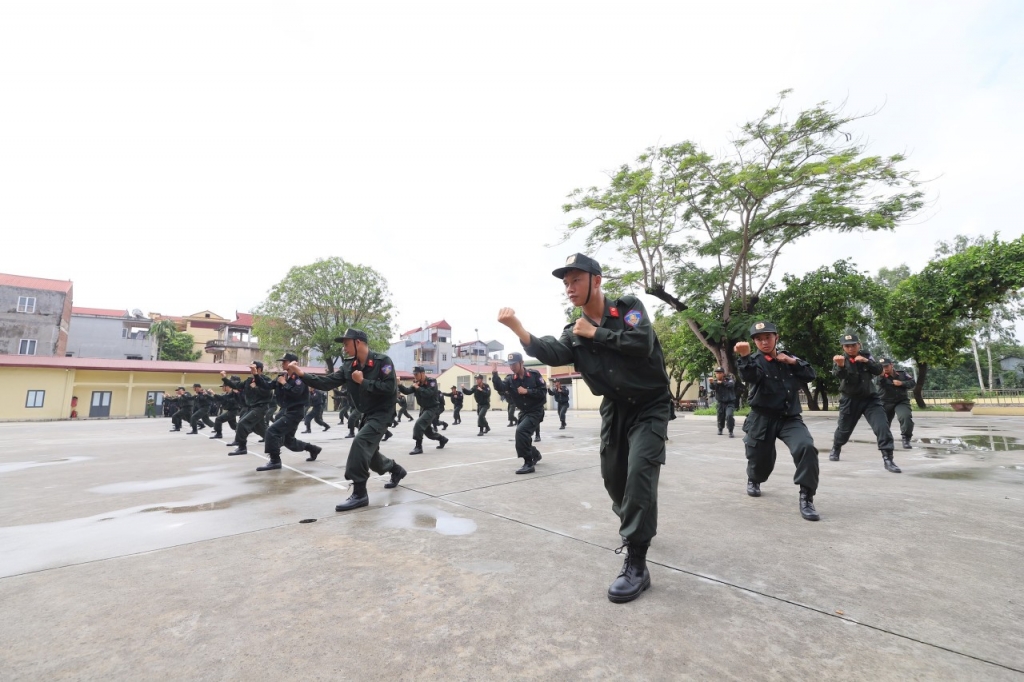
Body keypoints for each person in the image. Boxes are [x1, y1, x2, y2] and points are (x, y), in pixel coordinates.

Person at [498, 253, 673, 604]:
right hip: (616, 408)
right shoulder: (573, 333)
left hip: (651, 405)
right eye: (565, 283)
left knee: (640, 474)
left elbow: (642, 343)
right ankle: (637, 520)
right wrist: (520, 330)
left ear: (597, 280)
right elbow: (551, 351)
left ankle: (637, 562)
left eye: (575, 280)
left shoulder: (628, 309)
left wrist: (598, 333)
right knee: (614, 479)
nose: (569, 288)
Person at [288, 328, 408, 511]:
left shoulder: (382, 361)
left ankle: (360, 493)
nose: (344, 347)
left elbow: (390, 388)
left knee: (360, 443)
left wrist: (363, 382)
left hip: (382, 413)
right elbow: (326, 383)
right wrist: (302, 374)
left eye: (346, 343)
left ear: (358, 342)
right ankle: (396, 470)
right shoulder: (348, 366)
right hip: (367, 414)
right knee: (371, 456)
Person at [734, 321, 820, 521]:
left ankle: (806, 497)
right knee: (761, 460)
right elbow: (749, 376)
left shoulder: (789, 357)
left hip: (789, 418)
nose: (764, 342)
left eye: (768, 337)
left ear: (776, 337)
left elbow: (810, 375)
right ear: (754, 341)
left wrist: (792, 362)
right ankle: (754, 479)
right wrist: (745, 356)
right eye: (759, 339)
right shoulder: (754, 360)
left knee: (806, 447)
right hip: (762, 418)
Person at [829, 333, 901, 473]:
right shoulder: (840, 359)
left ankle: (888, 459)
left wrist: (866, 361)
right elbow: (840, 376)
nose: (850, 348)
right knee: (844, 430)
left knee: (882, 427)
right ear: (843, 347)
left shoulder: (867, 356)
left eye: (853, 345)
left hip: (870, 399)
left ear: (859, 345)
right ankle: (836, 447)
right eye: (847, 346)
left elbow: (879, 370)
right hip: (850, 399)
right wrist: (841, 366)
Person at [256, 353, 322, 471]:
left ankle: (275, 461)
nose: (282, 364)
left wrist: (284, 384)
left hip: (296, 412)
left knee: (272, 431)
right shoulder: (282, 377)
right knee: (289, 442)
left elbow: (296, 393)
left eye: (285, 361)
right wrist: (256, 375)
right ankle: (313, 449)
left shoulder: (300, 378)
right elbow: (266, 385)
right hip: (286, 410)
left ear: (293, 363)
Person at [492, 353, 546, 474]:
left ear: (521, 363)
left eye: (514, 364)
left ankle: (528, 463)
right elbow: (500, 387)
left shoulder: (534, 375)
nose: (512, 367)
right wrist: (495, 373)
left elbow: (543, 392)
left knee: (521, 431)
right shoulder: (510, 379)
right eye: (510, 365)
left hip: (536, 411)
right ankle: (535, 454)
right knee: (523, 437)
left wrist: (527, 391)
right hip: (523, 412)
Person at [223, 363, 272, 455]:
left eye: (253, 368)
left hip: (260, 407)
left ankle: (242, 447)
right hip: (252, 407)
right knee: (261, 429)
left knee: (242, 423)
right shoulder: (249, 380)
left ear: (259, 369)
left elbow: (267, 394)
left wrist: (256, 388)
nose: (251, 370)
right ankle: (279, 441)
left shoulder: (266, 380)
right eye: (250, 368)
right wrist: (225, 378)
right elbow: (237, 385)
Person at [398, 366, 449, 454]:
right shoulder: (416, 383)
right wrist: (399, 384)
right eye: (414, 374)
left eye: (416, 374)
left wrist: (418, 388)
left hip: (432, 408)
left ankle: (418, 447)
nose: (415, 376)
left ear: (423, 374)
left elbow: (428, 393)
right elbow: (407, 391)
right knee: (428, 432)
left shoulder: (431, 382)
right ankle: (442, 439)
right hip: (423, 409)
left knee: (419, 424)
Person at [876, 359, 916, 449]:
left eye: (886, 366)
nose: (884, 368)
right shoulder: (880, 375)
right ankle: (884, 440)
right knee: (883, 423)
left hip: (901, 401)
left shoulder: (902, 373)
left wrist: (902, 383)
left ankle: (906, 439)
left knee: (905, 417)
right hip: (885, 401)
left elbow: (912, 382)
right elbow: (879, 382)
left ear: (891, 365)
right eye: (882, 367)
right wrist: (882, 375)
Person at [709, 368, 738, 437]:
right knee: (720, 416)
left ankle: (730, 430)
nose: (718, 374)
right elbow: (712, 387)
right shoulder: (715, 381)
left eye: (720, 373)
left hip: (729, 402)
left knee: (729, 415)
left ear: (723, 374)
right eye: (717, 373)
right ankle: (720, 428)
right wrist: (711, 383)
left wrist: (722, 383)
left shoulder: (729, 380)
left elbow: (731, 385)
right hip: (720, 402)